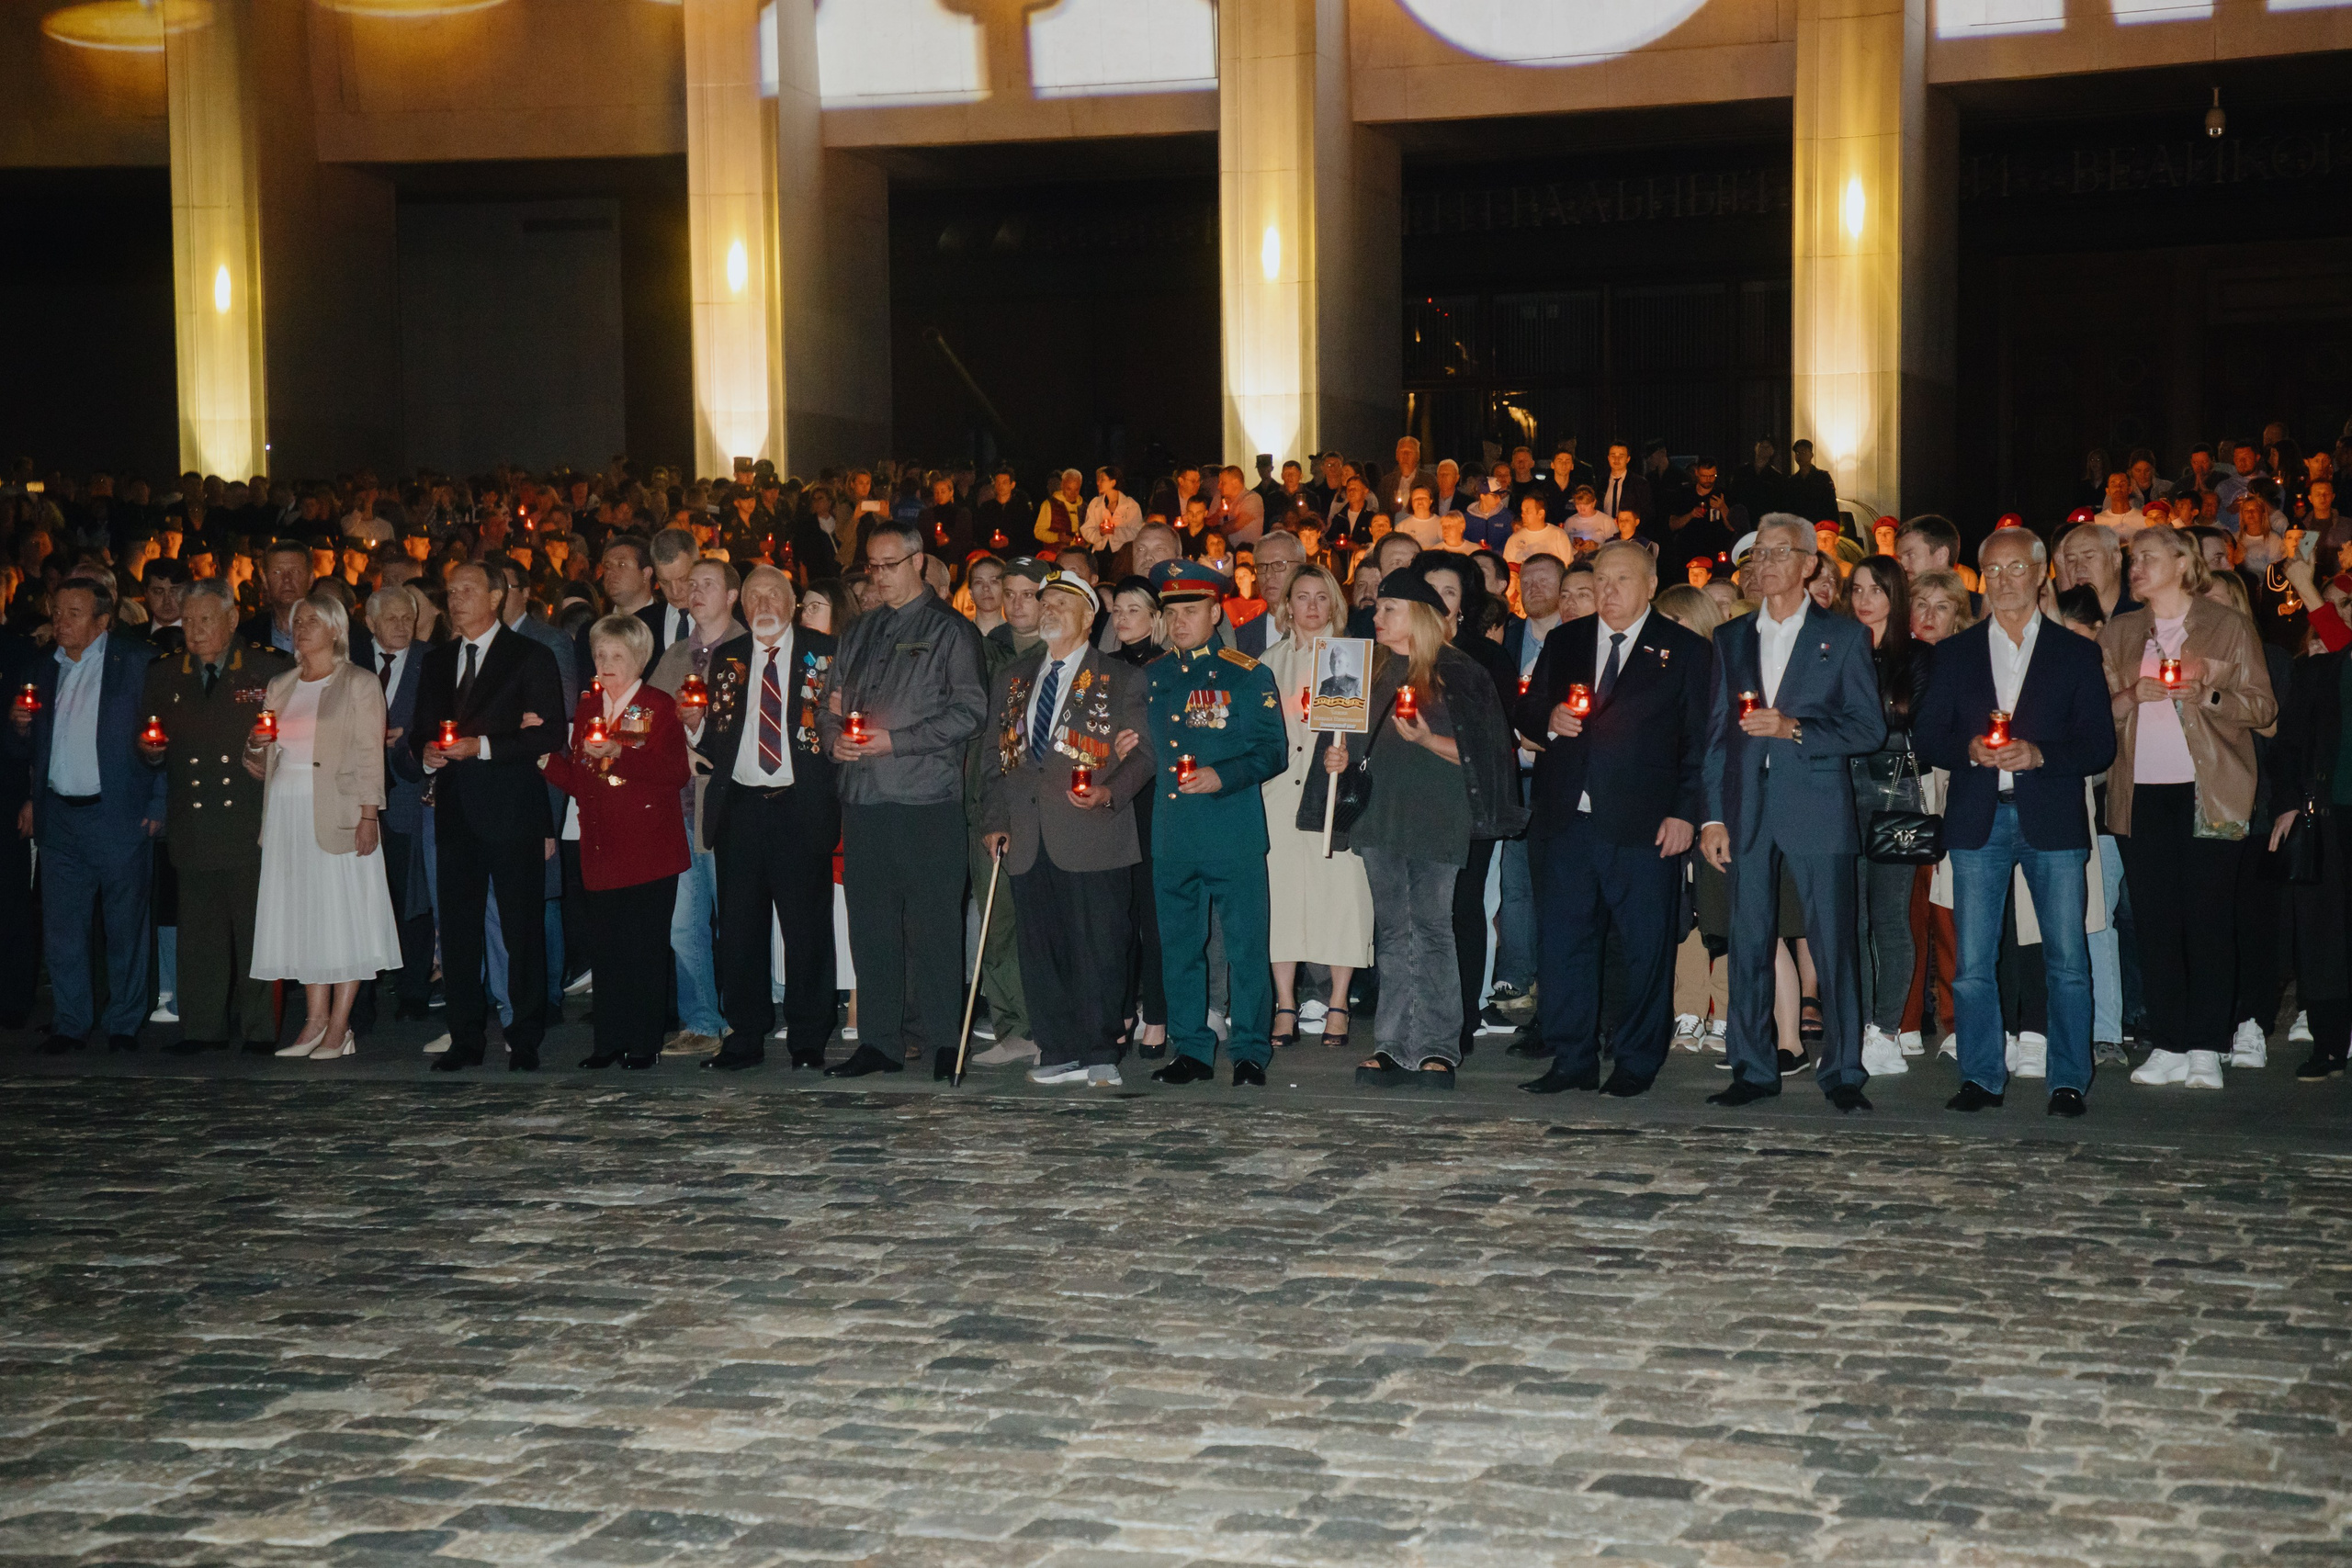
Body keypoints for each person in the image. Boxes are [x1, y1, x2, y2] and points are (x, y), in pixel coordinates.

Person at [1914, 529, 2115, 1117]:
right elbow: (1928, 737)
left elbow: (2099, 745)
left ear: (2040, 573)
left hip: (2050, 818)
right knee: (1974, 963)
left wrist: (2040, 754)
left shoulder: (2074, 652)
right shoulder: (1955, 653)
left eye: (2013, 570)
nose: (2002, 582)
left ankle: (2069, 1080)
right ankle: (1981, 1077)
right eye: (1991, 572)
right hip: (1979, 819)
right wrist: (1969, 747)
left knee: (2067, 959)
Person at [1699, 515, 1888, 1111]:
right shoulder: (1730, 638)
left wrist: (1795, 727)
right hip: (1746, 808)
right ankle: (1753, 1067)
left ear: (1810, 564)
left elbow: (1868, 728)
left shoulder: (1846, 636)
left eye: (1782, 552)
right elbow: (1715, 736)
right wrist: (1711, 817)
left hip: (1817, 805)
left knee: (1833, 943)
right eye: (1760, 552)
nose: (1767, 562)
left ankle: (1843, 1072)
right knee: (1749, 940)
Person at [1308, 569, 1523, 1087]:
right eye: (1377, 608)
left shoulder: (1461, 672)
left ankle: (1436, 1047)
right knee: (1391, 929)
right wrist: (1337, 759)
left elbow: (1491, 755)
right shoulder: (1366, 666)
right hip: (1379, 814)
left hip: (1437, 815)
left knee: (1430, 927)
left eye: (1388, 609)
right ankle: (1391, 1044)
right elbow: (1347, 737)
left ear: (1419, 617)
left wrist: (1428, 741)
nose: (1375, 616)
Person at [1513, 540, 1712, 1096]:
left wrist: (1684, 813)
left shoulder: (1684, 650)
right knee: (1565, 943)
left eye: (1622, 580)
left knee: (1645, 946)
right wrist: (1548, 715)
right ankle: (1571, 1058)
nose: (1608, 590)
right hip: (1568, 819)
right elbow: (1525, 707)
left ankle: (1636, 1061)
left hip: (1645, 824)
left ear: (1650, 585)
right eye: (1601, 579)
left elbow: (1700, 742)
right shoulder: (1567, 639)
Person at [2100, 525, 2277, 1091]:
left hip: (2210, 791)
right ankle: (2170, 1042)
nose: (2136, 566)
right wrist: (2131, 698)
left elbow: (2263, 707)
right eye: (2133, 558)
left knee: (2207, 920)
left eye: (2148, 556)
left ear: (2182, 562)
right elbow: (2095, 714)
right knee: (2154, 921)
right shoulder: (2121, 632)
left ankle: (2206, 1044)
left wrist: (2207, 694)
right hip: (2141, 794)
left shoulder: (2226, 625)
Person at [818, 519, 987, 1077]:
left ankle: (943, 1044)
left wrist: (897, 742)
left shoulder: (949, 631)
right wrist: (832, 739)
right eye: (872, 565)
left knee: (935, 928)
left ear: (918, 562)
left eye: (890, 564)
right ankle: (880, 1042)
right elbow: (826, 702)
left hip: (925, 801)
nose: (879, 576)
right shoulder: (861, 631)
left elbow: (970, 711)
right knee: (870, 925)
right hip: (863, 800)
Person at [977, 571, 1152, 1085]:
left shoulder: (1119, 677)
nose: (1048, 609)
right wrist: (994, 821)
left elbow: (1144, 753)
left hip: (1092, 830)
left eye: (1061, 602)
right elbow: (994, 759)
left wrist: (1109, 791)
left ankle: (1100, 1050)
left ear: (1089, 616)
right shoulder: (1014, 676)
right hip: (1027, 834)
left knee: (1099, 945)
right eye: (1042, 601)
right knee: (1040, 945)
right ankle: (1057, 1047)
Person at [1135, 558, 1289, 1087]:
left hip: (1232, 831)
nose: (1180, 621)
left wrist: (1222, 775)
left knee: (1246, 947)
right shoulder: (1152, 677)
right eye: (1171, 611)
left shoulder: (1247, 674)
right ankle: (1192, 1049)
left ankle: (1248, 1048)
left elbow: (1274, 752)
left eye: (1191, 609)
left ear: (1215, 610)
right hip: (1174, 834)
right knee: (1179, 947)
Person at [410, 559, 567, 1072]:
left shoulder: (530, 656)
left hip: (513, 810)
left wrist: (483, 746)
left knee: (520, 929)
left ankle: (524, 1037)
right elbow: (416, 733)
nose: (456, 599)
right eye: (451, 591)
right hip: (454, 813)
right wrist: (425, 753)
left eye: (468, 590)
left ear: (496, 597)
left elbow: (547, 736)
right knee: (456, 931)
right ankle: (465, 1037)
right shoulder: (436, 662)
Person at [689, 566, 841, 1070]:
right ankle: (745, 1034)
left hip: (800, 806)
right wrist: (695, 731)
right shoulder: (728, 659)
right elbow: (720, 739)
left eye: (774, 594)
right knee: (739, 929)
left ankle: (808, 1035)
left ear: (794, 602)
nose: (764, 604)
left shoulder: (825, 652)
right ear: (742, 605)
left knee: (806, 929)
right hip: (742, 809)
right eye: (754, 597)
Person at [8, 577, 164, 1055]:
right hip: (61, 817)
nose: (60, 622)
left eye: (73, 613)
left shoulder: (137, 663)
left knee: (124, 927)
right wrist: (18, 728)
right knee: (63, 929)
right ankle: (71, 1022)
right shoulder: (43, 669)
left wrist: (158, 803)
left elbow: (164, 737)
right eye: (56, 612)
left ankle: (124, 1022)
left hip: (118, 813)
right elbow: (26, 749)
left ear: (102, 621)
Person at [247, 591, 402, 1059]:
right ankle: (313, 1020)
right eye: (298, 620)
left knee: (342, 914)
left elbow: (368, 754)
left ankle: (340, 1024)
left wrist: (368, 814)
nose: (302, 627)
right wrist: (256, 745)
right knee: (304, 914)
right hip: (287, 811)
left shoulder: (358, 682)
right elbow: (259, 759)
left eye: (313, 619)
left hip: (338, 809)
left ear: (336, 628)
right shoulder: (281, 684)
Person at [141, 580, 291, 1055]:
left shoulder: (269, 668)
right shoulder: (165, 673)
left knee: (254, 931)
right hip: (193, 819)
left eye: (206, 619)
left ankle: (260, 1030)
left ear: (232, 619)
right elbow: (150, 741)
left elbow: (296, 740)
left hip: (249, 820)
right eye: (188, 621)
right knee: (198, 935)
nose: (195, 629)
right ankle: (201, 1027)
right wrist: (149, 752)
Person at [539, 613, 691, 1070]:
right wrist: (545, 759)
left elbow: (673, 774)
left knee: (643, 950)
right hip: (601, 848)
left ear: (639, 659)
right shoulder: (588, 709)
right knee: (606, 950)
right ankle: (608, 1041)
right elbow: (585, 781)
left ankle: (643, 1043)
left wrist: (621, 754)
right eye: (599, 655)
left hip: (649, 851)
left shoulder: (658, 706)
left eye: (616, 656)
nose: (605, 663)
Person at [1258, 564, 1375, 1053]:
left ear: (1334, 604)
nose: (1310, 606)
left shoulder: (1351, 659)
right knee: (1281, 899)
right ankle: (1285, 1002)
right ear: (1287, 605)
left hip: (1333, 791)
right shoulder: (1266, 662)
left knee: (1341, 895)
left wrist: (1351, 756)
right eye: (1301, 597)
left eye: (1320, 598)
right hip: (1280, 792)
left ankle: (1338, 1001)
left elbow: (1371, 730)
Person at [645, 558, 746, 1056]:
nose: (695, 590)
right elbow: (646, 721)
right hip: (679, 812)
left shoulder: (749, 650)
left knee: (737, 921)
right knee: (684, 924)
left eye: (708, 583)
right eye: (691, 584)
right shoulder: (673, 657)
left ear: (733, 594)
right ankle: (703, 1021)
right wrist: (676, 750)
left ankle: (747, 1018)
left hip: (732, 810)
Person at [1843, 556, 1929, 1077]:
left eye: (1876, 590)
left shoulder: (1916, 656)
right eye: (1856, 589)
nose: (1864, 599)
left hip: (1900, 790)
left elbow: (1908, 719)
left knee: (1893, 917)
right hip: (1838, 792)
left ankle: (1887, 1029)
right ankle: (1855, 1026)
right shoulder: (1835, 649)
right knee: (1847, 918)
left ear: (1895, 597)